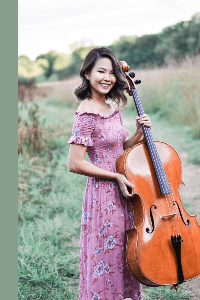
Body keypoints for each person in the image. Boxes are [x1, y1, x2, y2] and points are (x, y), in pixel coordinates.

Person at [68, 47, 151, 300]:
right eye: (100, 71)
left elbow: (120, 149)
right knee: (107, 255)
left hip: (126, 191)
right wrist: (115, 176)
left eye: (111, 72)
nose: (107, 77)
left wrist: (138, 132)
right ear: (87, 73)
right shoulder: (86, 113)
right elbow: (75, 163)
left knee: (125, 254)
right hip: (104, 195)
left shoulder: (111, 107)